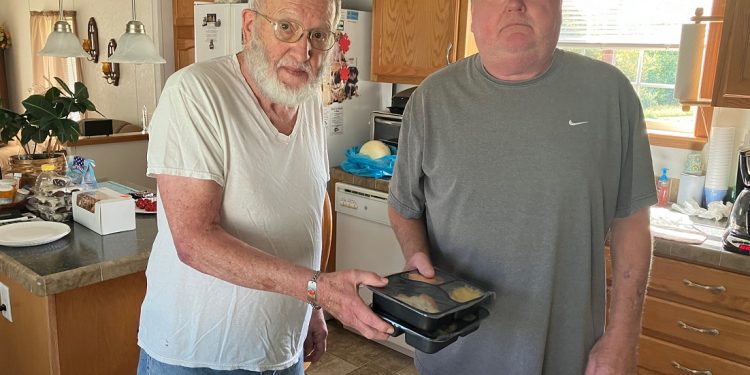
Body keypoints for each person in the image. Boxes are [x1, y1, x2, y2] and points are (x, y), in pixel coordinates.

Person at [387, 0, 655, 374]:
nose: (515, 4)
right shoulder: (431, 99)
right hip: (453, 358)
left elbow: (633, 225)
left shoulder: (612, 95)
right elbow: (404, 207)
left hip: (566, 358)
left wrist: (624, 336)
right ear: (472, 12)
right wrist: (416, 254)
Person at [137, 0, 393, 373]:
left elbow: (313, 209)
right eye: (286, 27)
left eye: (318, 35)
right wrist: (316, 288)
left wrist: (311, 308)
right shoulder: (194, 93)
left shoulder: (307, 103)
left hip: (279, 351)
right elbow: (194, 242)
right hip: (198, 357)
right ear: (249, 25)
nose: (303, 50)